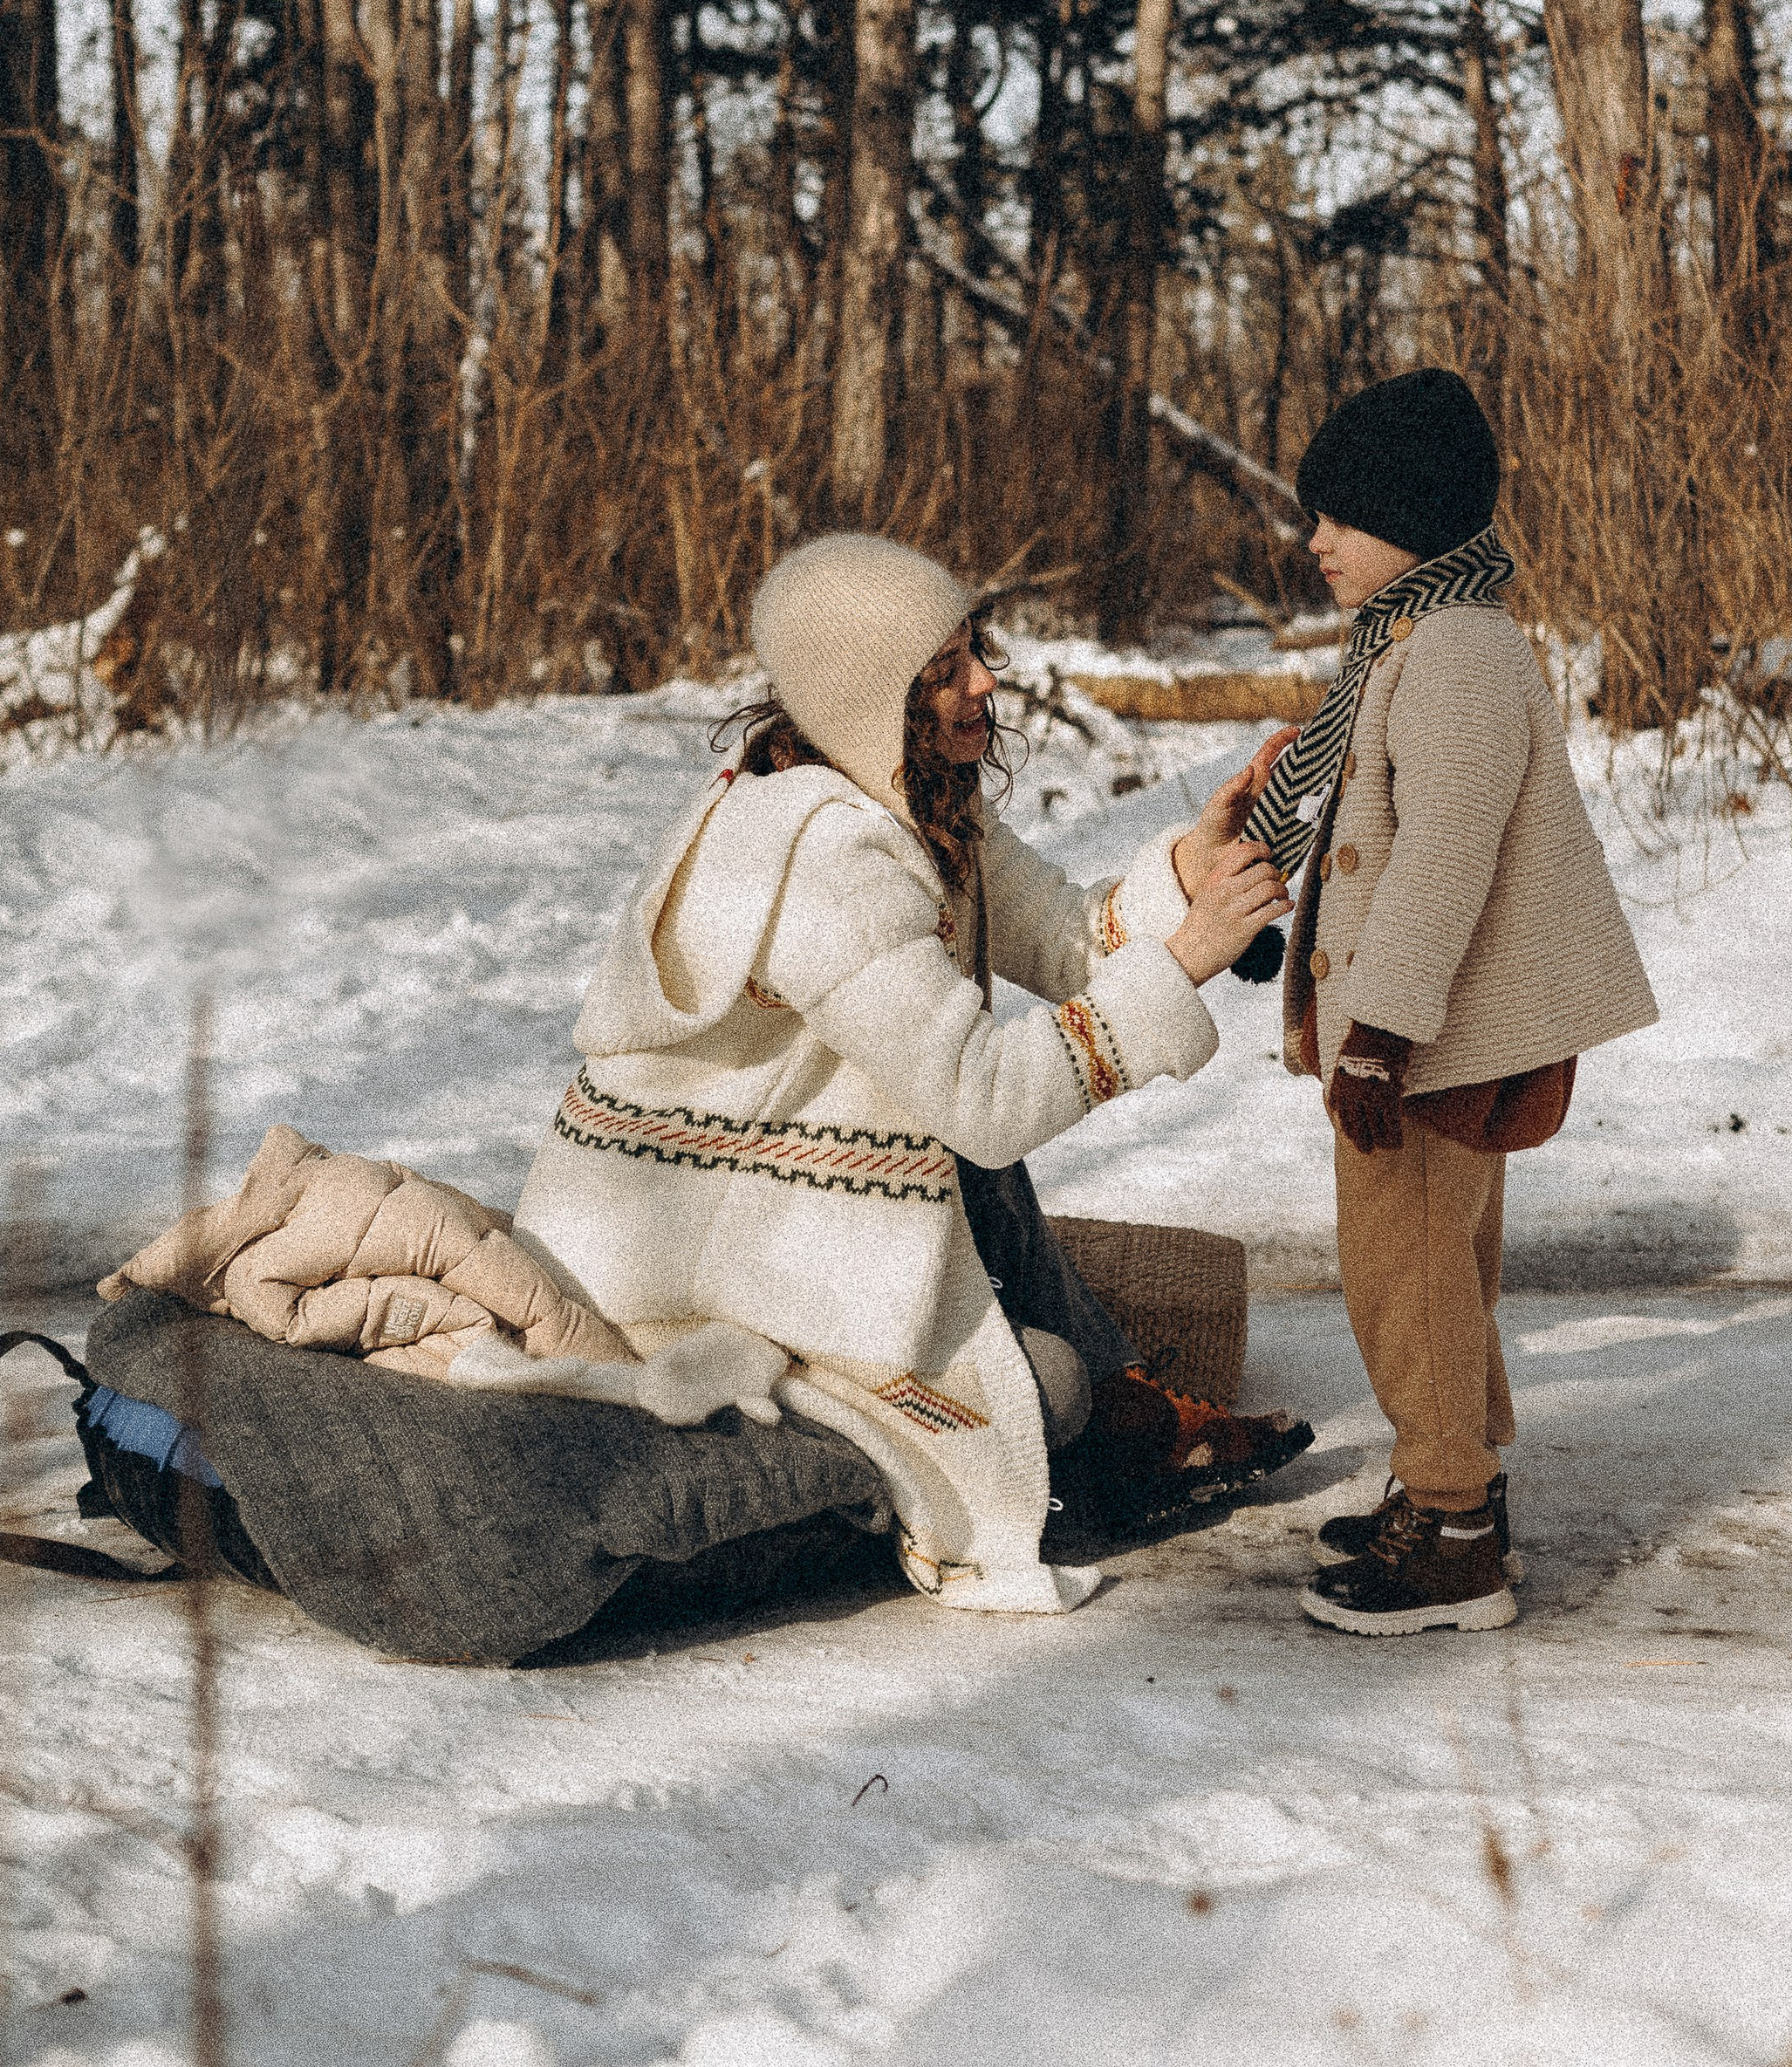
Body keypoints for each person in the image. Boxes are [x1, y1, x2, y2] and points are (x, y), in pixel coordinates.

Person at [511, 531, 1307, 1615]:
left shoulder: (919, 803)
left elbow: (1070, 937)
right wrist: (1182, 959)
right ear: (865, 698)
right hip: (689, 1245)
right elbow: (986, 1103)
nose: (984, 678)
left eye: (972, 647)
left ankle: (1125, 1409)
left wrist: (1189, 868)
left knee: (962, 1131)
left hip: (782, 1196)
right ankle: (1102, 1405)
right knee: (1037, 1394)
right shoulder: (824, 859)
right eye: (942, 670)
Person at [1240, 370, 1659, 1638]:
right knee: (1443, 1274)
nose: (1314, 541)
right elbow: (1371, 831)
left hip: (1429, 1046)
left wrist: (1380, 1035)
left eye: (1339, 517)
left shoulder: (1458, 652)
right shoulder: (1422, 636)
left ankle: (1453, 1532)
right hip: (1430, 1037)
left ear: (1410, 518)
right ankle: (1452, 1484)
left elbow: (1445, 853)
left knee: (1405, 1276)